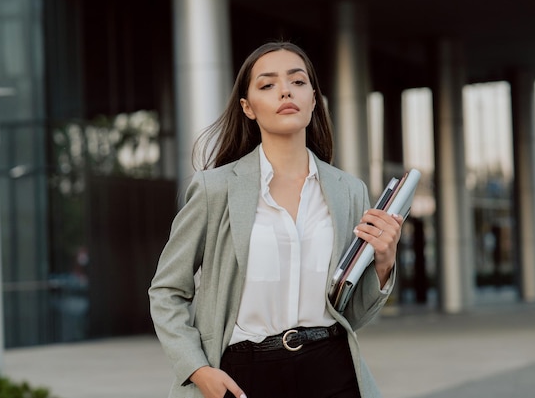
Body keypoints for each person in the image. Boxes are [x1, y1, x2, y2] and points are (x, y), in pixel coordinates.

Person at [148, 41, 403, 398]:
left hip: (332, 368)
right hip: (244, 374)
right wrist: (197, 368)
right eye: (268, 85)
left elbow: (352, 314)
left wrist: (383, 261)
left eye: (298, 82)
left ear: (314, 99)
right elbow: (167, 290)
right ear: (248, 107)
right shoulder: (214, 189)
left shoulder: (349, 190)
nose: (285, 90)